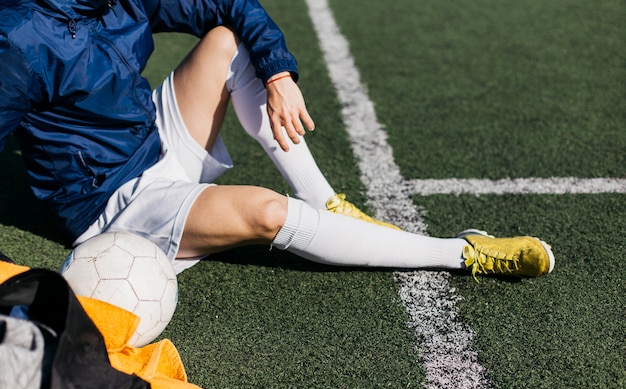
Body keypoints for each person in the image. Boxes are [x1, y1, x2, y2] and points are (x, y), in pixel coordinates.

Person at [0, 0, 554, 278]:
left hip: (154, 137)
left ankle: (329, 204)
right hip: (114, 202)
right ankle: (464, 252)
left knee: (226, 41)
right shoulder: (19, 37)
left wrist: (277, 74)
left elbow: (228, 4)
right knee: (267, 213)